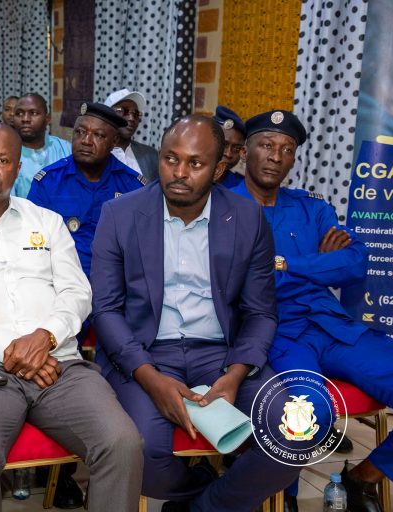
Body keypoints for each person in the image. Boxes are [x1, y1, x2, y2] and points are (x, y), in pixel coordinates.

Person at [0, 122, 144, 512]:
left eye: (2, 160)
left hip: (59, 366)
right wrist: (12, 348)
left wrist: (45, 338)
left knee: (122, 442)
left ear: (18, 167)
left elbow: (77, 293)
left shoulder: (47, 222)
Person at [90, 115, 302, 511]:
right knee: (139, 452)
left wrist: (235, 374)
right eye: (171, 159)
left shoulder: (247, 218)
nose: (179, 172)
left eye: (196, 163)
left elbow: (261, 313)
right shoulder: (120, 215)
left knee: (294, 437)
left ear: (219, 169)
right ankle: (201, 492)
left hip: (222, 354)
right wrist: (150, 377)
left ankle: (203, 507)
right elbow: (105, 309)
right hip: (145, 354)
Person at [231, 110, 393, 512]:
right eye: (266, 145)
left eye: (287, 149)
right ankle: (276, 492)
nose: (276, 156)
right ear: (246, 152)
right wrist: (321, 265)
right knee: (310, 414)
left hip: (333, 326)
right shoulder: (224, 207)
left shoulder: (311, 208)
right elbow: (241, 282)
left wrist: (286, 263)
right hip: (279, 333)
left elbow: (356, 263)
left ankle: (364, 476)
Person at [27, 102, 144, 278]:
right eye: (80, 132)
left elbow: (141, 249)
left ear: (114, 142)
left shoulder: (133, 187)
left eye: (98, 135)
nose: (86, 141)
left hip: (115, 285)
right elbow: (33, 244)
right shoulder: (48, 182)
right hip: (61, 282)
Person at [9, 93, 72, 198]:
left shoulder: (65, 148)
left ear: (47, 118)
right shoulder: (7, 153)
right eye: (19, 113)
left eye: (33, 113)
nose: (25, 119)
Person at [103, 88, 158, 181]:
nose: (131, 118)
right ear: (107, 115)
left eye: (136, 114)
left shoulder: (151, 155)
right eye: (123, 111)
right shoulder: (95, 154)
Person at [212, 105, 246, 188]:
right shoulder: (187, 175)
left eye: (236, 148)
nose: (228, 154)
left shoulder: (240, 186)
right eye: (223, 144)